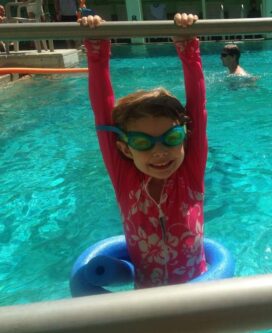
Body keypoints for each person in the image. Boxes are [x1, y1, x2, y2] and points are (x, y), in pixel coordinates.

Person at [79, 12, 208, 288]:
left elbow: (198, 107)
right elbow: (102, 115)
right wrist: (97, 49)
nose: (159, 151)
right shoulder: (125, 180)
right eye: (142, 143)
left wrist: (188, 48)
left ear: (185, 138)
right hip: (147, 296)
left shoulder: (191, 173)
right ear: (126, 149)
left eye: (171, 138)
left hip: (199, 290)